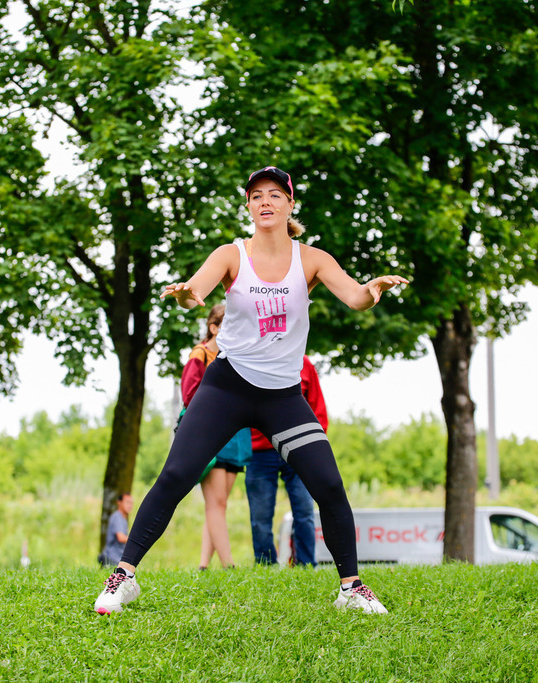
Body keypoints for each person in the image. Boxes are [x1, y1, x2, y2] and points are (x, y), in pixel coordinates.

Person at [94, 166, 407, 615]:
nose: (266, 202)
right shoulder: (231, 254)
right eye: (257, 195)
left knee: (329, 485)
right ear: (248, 206)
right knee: (176, 475)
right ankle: (123, 577)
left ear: (290, 204)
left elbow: (356, 297)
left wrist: (373, 290)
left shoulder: (312, 260)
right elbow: (196, 291)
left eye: (275, 194)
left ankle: (351, 588)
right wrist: (185, 295)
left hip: (283, 397)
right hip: (227, 386)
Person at [180, 304, 253, 570]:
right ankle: (228, 565)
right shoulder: (199, 354)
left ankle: (203, 565)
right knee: (216, 504)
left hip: (236, 438)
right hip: (210, 433)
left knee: (219, 505)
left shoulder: (236, 356)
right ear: (214, 328)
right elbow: (189, 396)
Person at [245, 354, 327, 567]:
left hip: (298, 448)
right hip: (260, 452)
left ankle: (306, 565)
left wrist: (316, 447)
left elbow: (317, 407)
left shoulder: (303, 363)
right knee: (260, 516)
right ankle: (265, 566)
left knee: (305, 511)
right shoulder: (251, 360)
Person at [101, 492, 134, 567]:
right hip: (112, 559)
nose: (130, 506)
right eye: (127, 502)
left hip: (118, 558)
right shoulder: (117, 517)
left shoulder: (123, 519)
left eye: (131, 503)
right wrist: (135, 541)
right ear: (119, 502)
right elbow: (121, 537)